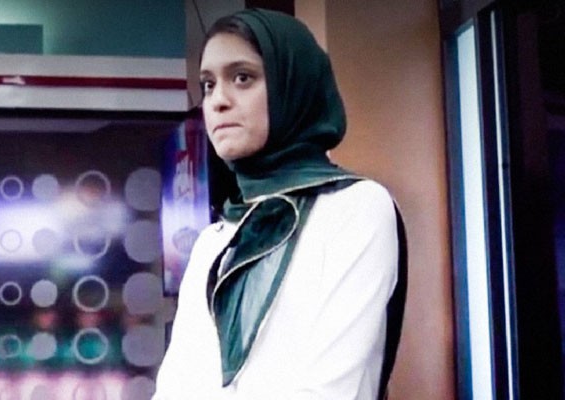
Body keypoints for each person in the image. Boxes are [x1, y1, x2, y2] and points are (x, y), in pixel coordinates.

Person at [153, 8, 407, 400]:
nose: (218, 101)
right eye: (208, 84)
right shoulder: (215, 240)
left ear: (293, 86)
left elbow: (330, 390)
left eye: (242, 78)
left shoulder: (354, 208)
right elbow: (176, 389)